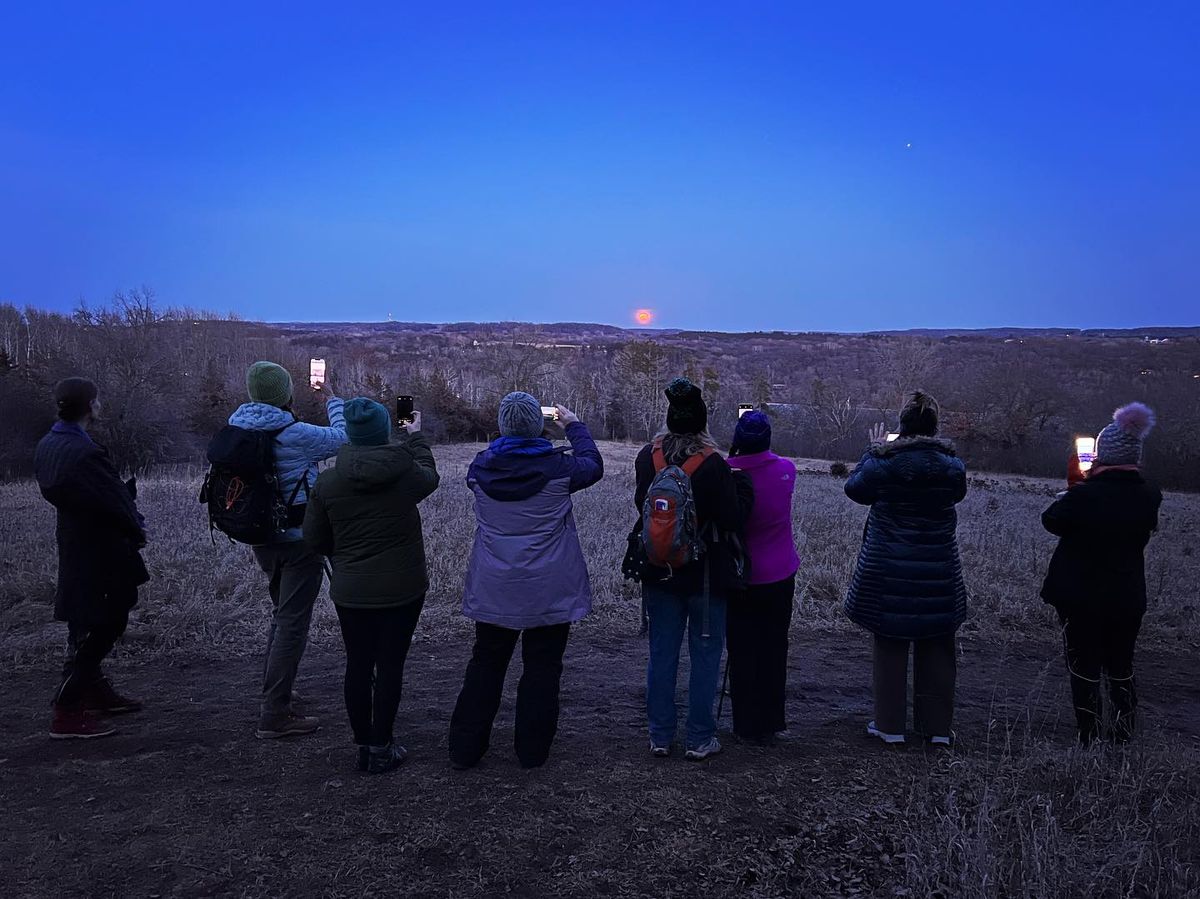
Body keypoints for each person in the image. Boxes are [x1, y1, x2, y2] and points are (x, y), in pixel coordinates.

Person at [448, 393, 603, 770]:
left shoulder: (479, 470)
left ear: (502, 426)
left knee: (486, 663)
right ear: (539, 425)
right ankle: (532, 752)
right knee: (543, 667)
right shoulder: (561, 470)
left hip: (495, 585)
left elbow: (495, 465)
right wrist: (574, 426)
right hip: (549, 587)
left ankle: (465, 750)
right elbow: (593, 465)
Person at [303, 399, 439, 773]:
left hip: (351, 591)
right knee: (391, 664)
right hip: (404, 588)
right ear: (384, 431)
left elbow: (314, 540)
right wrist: (415, 436)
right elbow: (431, 475)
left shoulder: (329, 482)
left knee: (358, 664)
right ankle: (383, 744)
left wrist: (345, 556)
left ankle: (363, 744)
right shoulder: (407, 473)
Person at [229, 361, 347, 739]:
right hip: (298, 539)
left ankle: (276, 691)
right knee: (292, 623)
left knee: (283, 615)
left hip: (261, 537)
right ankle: (275, 712)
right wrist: (332, 399)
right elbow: (343, 438)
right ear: (284, 394)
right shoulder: (294, 433)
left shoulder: (237, 426)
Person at [634, 378, 750, 761]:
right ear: (702, 423)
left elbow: (643, 508)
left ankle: (660, 736)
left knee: (661, 654)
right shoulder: (715, 465)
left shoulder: (646, 458)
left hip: (660, 570)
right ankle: (700, 738)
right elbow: (731, 519)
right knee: (704, 657)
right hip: (706, 575)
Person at [844, 391, 967, 746]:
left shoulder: (883, 465)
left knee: (890, 644)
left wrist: (873, 449)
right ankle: (938, 729)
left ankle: (890, 726)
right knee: (939, 645)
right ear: (934, 426)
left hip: (890, 569)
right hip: (939, 568)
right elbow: (956, 495)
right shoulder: (953, 467)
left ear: (902, 425)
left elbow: (854, 489)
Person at [34, 377, 149, 739]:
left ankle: (93, 690)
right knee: (106, 622)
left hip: (76, 542)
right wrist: (136, 529)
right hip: (102, 547)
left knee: (86, 619)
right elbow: (114, 503)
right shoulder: (85, 453)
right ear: (90, 405)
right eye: (97, 401)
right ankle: (67, 708)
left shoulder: (50, 444)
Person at [1040, 403, 1162, 746]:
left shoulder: (1086, 496)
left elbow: (1052, 520)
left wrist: (1078, 485)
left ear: (1102, 455)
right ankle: (1123, 733)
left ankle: (1088, 733)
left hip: (1081, 596)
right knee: (1122, 664)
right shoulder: (1149, 495)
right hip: (1126, 595)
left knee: (1083, 664)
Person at [726, 411, 800, 745]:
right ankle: (772, 721)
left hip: (741, 575)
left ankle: (744, 723)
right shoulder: (787, 470)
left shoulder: (727, 473)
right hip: (781, 572)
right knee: (774, 646)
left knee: (742, 648)